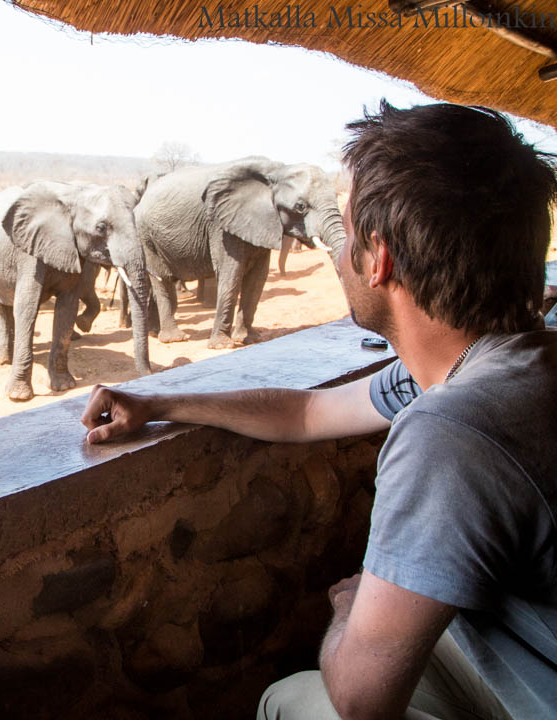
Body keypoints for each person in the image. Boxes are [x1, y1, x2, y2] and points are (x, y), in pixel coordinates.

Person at [81, 101, 557, 720]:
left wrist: (349, 610)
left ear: (379, 258)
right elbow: (308, 411)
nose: (337, 255)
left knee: (293, 700)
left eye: (348, 232)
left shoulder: (452, 432)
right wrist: (160, 402)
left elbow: (362, 701)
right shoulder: (500, 359)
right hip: (525, 654)